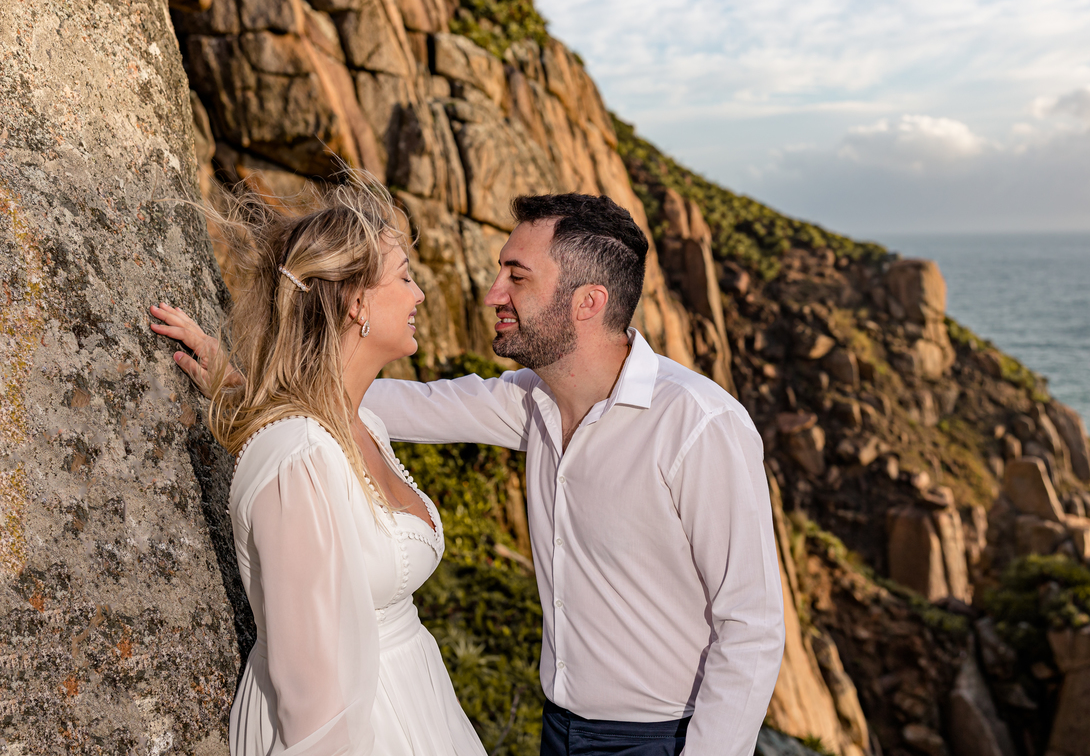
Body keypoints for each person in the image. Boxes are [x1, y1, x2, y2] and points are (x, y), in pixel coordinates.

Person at [157, 192, 786, 756]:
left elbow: (752, 630)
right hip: (559, 730)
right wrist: (237, 381)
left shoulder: (700, 427)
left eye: (518, 275)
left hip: (663, 738)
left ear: (587, 303)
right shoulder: (530, 401)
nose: (493, 292)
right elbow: (364, 401)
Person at [150, 183, 488, 756]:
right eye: (404, 277)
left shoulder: (365, 426)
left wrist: (232, 381)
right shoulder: (296, 456)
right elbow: (312, 704)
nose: (420, 294)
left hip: (418, 704)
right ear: (356, 301)